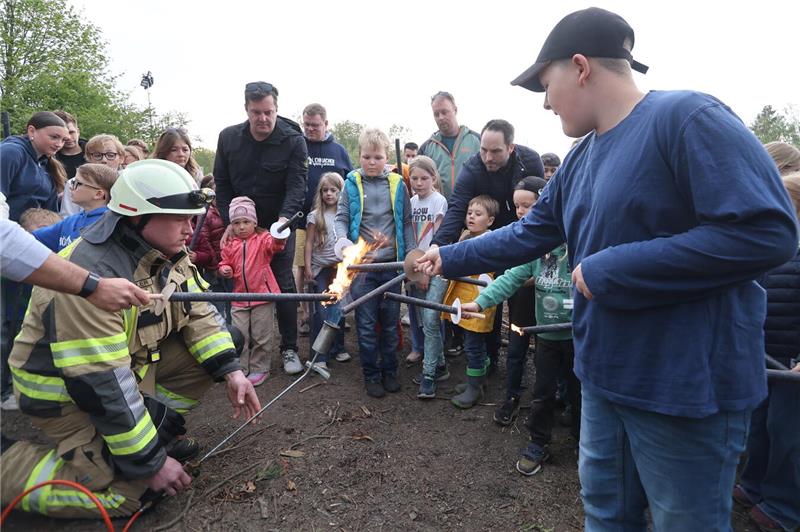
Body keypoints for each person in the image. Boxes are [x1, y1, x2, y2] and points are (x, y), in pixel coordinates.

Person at [417, 7, 798, 530]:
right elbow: (531, 233)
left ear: (580, 67)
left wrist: (614, 268)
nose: (547, 103)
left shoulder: (686, 117)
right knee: (605, 515)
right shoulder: (581, 157)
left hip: (684, 390)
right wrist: (447, 256)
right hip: (602, 377)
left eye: (546, 85)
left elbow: (767, 231)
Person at [0, 159, 259, 519]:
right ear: (137, 216)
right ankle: (7, 466)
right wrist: (151, 463)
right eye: (180, 218)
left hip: (126, 370)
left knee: (224, 343)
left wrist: (232, 372)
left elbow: (199, 312)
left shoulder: (167, 252)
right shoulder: (91, 278)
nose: (191, 229)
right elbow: (100, 384)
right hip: (66, 396)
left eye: (193, 217)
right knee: (129, 495)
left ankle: (147, 432)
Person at [432, 119, 545, 373]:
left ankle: (525, 365)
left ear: (511, 148)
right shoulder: (473, 167)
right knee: (488, 300)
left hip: (523, 241)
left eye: (495, 151)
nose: (487, 157)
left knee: (522, 306)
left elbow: (538, 207)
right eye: (483, 149)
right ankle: (491, 362)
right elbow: (458, 206)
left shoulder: (530, 161)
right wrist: (437, 245)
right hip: (490, 241)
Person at [214, 81, 308, 375]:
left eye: (269, 112)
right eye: (257, 112)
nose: (263, 119)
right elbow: (223, 183)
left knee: (283, 283)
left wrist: (284, 221)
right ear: (246, 109)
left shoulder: (293, 140)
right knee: (240, 282)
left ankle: (290, 347)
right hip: (241, 227)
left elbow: (297, 185)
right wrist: (231, 220)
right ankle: (241, 349)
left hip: (277, 226)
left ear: (276, 109)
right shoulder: (228, 138)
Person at [732, 172, 800, 532]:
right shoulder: (774, 247)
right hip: (763, 355)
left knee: (787, 434)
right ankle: (754, 484)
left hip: (792, 363)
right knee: (758, 424)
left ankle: (785, 506)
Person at [334, 128, 414, 398]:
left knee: (390, 323)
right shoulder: (351, 183)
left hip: (391, 266)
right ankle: (371, 373)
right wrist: (342, 240)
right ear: (359, 155)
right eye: (366, 156)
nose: (371, 162)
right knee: (366, 324)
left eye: (377, 157)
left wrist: (410, 256)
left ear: (386, 157)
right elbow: (342, 216)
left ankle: (390, 370)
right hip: (363, 267)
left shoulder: (397, 184)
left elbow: (405, 223)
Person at [462, 176, 546, 421]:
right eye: (517, 206)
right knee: (516, 348)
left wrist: (529, 276)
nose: (520, 211)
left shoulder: (551, 234)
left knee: (546, 353)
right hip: (519, 301)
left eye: (527, 206)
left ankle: (548, 397)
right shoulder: (516, 234)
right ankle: (511, 395)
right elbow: (510, 271)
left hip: (547, 305)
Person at [0, 111, 68, 410]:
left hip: (35, 250)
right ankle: (4, 389)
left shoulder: (45, 165)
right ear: (31, 131)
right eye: (53, 137)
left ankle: (20, 381)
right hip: (10, 251)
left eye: (63, 140)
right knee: (6, 320)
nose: (59, 144)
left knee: (25, 318)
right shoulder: (10, 153)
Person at [298, 104, 354, 335]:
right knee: (304, 268)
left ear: (326, 124)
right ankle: (306, 314)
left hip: (337, 220)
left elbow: (350, 180)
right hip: (307, 218)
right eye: (307, 124)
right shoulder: (298, 147)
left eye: (315, 125)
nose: (311, 129)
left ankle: (337, 317)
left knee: (336, 277)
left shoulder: (338, 150)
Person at [218, 196, 285, 387]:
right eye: (236, 223)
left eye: (246, 222)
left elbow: (277, 245)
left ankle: (259, 368)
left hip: (262, 295)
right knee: (240, 335)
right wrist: (224, 269)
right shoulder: (230, 244)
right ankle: (241, 367)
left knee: (261, 335)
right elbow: (224, 262)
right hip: (239, 297)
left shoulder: (263, 239)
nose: (241, 227)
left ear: (254, 222)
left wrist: (281, 233)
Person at [441, 195, 498, 408]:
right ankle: (476, 380)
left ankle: (475, 388)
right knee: (469, 343)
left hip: (478, 301)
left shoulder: (489, 240)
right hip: (463, 298)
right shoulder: (465, 235)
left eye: (478, 214)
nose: (471, 217)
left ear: (490, 220)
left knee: (474, 345)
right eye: (469, 213)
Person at [404, 156, 448, 375]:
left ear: (433, 178)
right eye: (414, 178)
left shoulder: (438, 201)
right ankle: (418, 346)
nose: (419, 183)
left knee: (431, 312)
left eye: (424, 178)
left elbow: (438, 233)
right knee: (415, 307)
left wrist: (426, 270)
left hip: (431, 263)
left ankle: (436, 354)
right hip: (413, 261)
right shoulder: (410, 203)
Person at [304, 172, 350, 371]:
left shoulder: (344, 215)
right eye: (325, 190)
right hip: (321, 269)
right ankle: (318, 355)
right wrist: (307, 267)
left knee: (338, 310)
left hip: (339, 269)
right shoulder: (315, 216)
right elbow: (308, 243)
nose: (329, 194)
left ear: (341, 192)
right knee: (321, 312)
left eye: (334, 190)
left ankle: (338, 348)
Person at [33, 163, 118, 251]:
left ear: (98, 194)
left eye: (78, 183)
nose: (71, 187)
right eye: (73, 182)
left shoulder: (108, 224)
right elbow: (34, 238)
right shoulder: (72, 220)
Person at [419, 91, 481, 201]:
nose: (441, 117)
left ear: (455, 110)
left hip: (471, 212)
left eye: (444, 112)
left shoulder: (478, 141)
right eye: (436, 114)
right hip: (439, 212)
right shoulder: (426, 148)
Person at [53, 111, 88, 216]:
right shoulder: (49, 158)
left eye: (71, 132)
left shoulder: (95, 154)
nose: (68, 137)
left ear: (78, 131)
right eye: (63, 134)